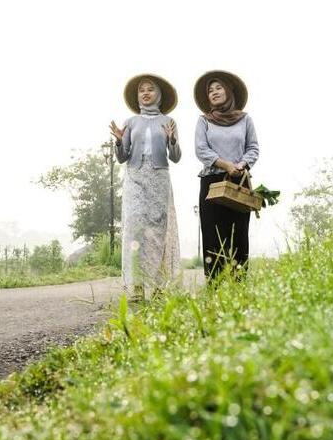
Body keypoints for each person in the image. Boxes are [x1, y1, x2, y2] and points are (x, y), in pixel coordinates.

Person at [110, 74, 181, 300]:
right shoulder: (131, 122)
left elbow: (176, 157)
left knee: (158, 232)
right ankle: (137, 286)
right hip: (135, 177)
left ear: (158, 95)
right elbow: (122, 157)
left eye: (150, 89)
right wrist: (120, 142)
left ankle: (159, 287)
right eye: (142, 90)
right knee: (135, 229)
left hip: (159, 178)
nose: (146, 93)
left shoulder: (168, 122)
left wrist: (172, 140)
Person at [194, 70, 259, 281]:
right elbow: (201, 149)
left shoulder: (245, 120)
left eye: (218, 88)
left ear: (229, 91)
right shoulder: (204, 121)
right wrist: (225, 164)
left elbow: (253, 148)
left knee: (238, 234)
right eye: (210, 90)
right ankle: (214, 286)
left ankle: (238, 285)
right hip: (212, 180)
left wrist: (239, 165)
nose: (213, 92)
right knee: (213, 234)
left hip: (238, 180)